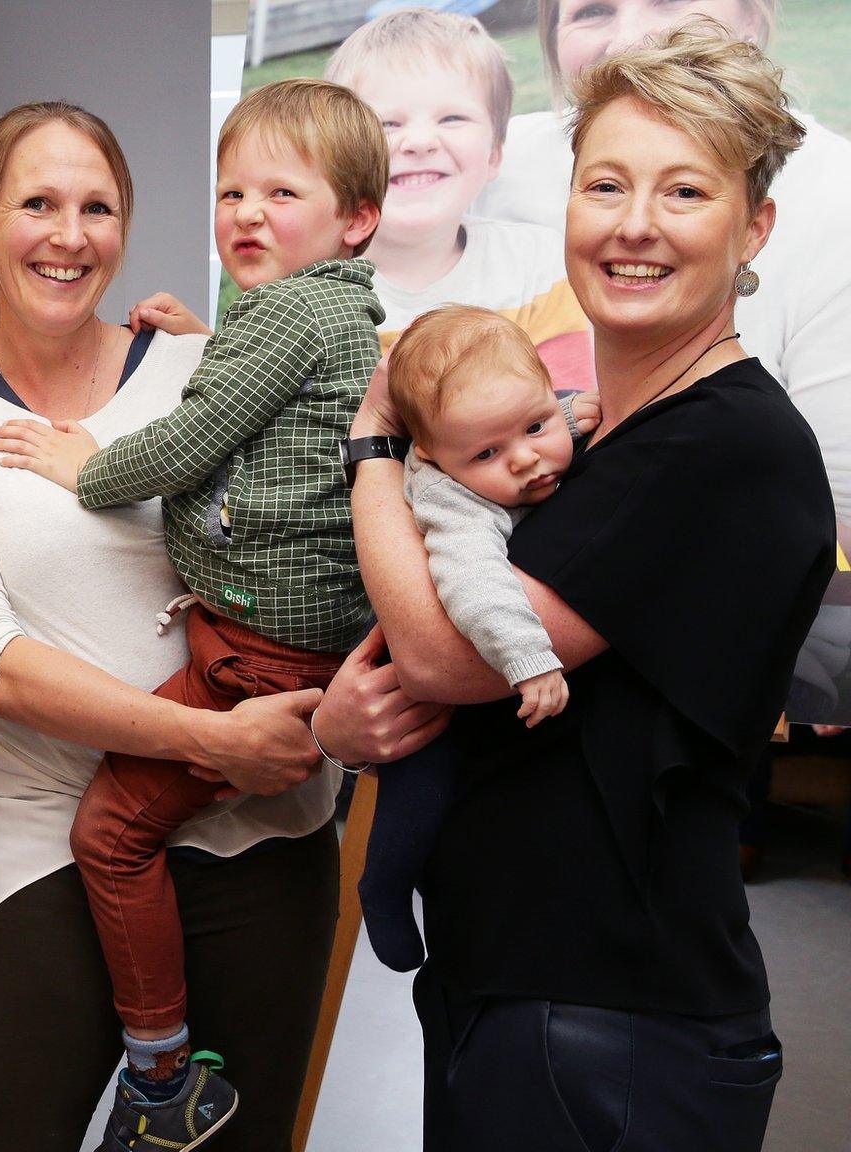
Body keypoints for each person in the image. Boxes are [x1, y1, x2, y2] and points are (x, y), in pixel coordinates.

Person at [0, 100, 418, 1152]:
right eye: (36, 204)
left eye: (96, 208)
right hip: (57, 845)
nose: (69, 236)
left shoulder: (198, 366)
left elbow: (347, 490)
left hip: (260, 836)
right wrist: (210, 740)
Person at [342, 27, 830, 1149]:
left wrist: (375, 448)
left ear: (751, 226)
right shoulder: (593, 440)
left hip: (608, 1020)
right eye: (603, 183)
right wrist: (343, 718)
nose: (632, 224)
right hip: (520, 987)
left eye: (684, 190)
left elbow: (444, 659)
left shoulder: (720, 447)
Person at [0, 79, 382, 1147]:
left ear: (354, 220)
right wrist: (213, 332)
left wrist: (84, 465)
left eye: (279, 193)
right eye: (229, 192)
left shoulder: (286, 316)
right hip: (268, 645)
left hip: (252, 661)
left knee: (110, 836)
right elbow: (291, 398)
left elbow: (186, 444)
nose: (245, 213)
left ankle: (161, 1074)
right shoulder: (330, 310)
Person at [472, 0, 851, 517]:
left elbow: (831, 510)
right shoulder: (490, 163)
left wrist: (376, 452)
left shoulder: (835, 200)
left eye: (687, 192)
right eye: (592, 12)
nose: (631, 39)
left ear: (754, 20)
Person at [354, 305, 585, 973]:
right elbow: (476, 586)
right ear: (431, 454)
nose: (524, 460)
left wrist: (572, 416)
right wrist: (529, 660)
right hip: (429, 663)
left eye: (537, 426)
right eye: (487, 453)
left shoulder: (515, 423)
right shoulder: (454, 499)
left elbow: (527, 418)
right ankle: (385, 886)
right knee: (420, 784)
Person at [322, 8, 594, 390]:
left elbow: (567, 409)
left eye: (452, 119)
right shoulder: (312, 286)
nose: (419, 142)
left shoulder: (535, 267)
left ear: (494, 154)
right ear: (339, 155)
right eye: (388, 124)